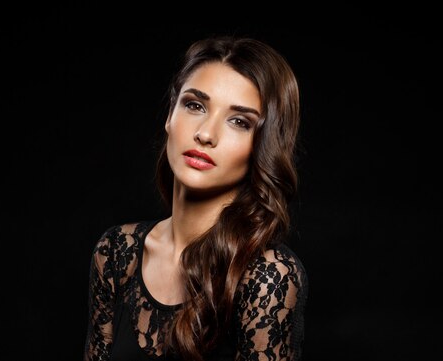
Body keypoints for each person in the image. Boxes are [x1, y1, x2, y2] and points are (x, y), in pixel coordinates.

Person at [83, 35, 308, 361]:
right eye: (195, 105)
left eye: (239, 122)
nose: (206, 133)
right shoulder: (116, 251)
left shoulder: (267, 277)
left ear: (262, 146)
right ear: (170, 116)